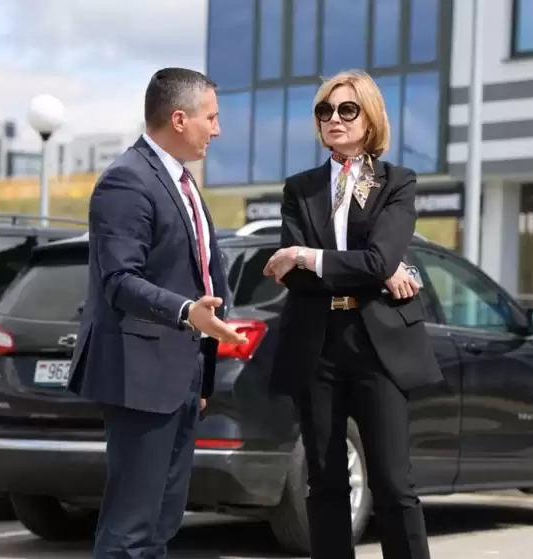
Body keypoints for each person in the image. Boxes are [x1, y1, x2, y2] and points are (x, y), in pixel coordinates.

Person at [66, 67, 248, 559]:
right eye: (211, 118)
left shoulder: (181, 181)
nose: (218, 130)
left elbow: (198, 270)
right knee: (131, 529)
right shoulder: (127, 181)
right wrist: (187, 312)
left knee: (160, 526)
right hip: (141, 378)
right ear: (180, 119)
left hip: (181, 378)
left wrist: (201, 375)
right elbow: (118, 281)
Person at [262, 70, 444, 559]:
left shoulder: (397, 183)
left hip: (377, 344)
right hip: (316, 343)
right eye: (325, 111)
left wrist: (307, 255)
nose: (334, 119)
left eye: (347, 109)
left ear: (370, 117)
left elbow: (378, 259)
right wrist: (369, 268)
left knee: (392, 482)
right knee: (324, 479)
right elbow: (296, 279)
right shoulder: (299, 189)